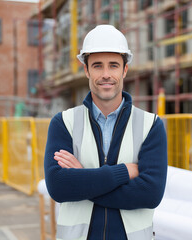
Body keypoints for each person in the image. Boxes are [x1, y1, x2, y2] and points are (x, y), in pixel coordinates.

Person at [44, 25, 168, 240]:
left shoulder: (151, 125)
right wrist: (123, 173)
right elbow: (59, 187)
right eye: (97, 66)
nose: (106, 75)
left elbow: (150, 194)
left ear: (125, 70)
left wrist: (83, 179)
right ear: (86, 70)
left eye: (113, 65)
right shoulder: (64, 123)